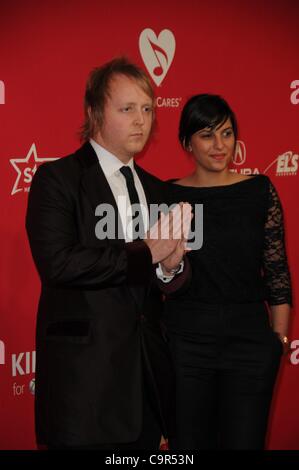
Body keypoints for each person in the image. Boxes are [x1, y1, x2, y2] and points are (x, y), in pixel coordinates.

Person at [25, 57, 190, 450]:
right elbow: (59, 264)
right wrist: (146, 252)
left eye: (147, 109)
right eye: (127, 108)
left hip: (147, 383)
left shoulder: (160, 190)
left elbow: (172, 283)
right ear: (95, 111)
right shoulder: (57, 179)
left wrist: (172, 266)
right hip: (84, 386)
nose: (141, 120)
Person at [162, 93, 292, 450]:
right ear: (187, 142)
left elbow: (277, 272)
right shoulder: (166, 196)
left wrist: (276, 344)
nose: (220, 145)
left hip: (250, 344)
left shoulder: (259, 190)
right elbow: (158, 276)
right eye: (207, 135)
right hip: (187, 344)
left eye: (227, 133)